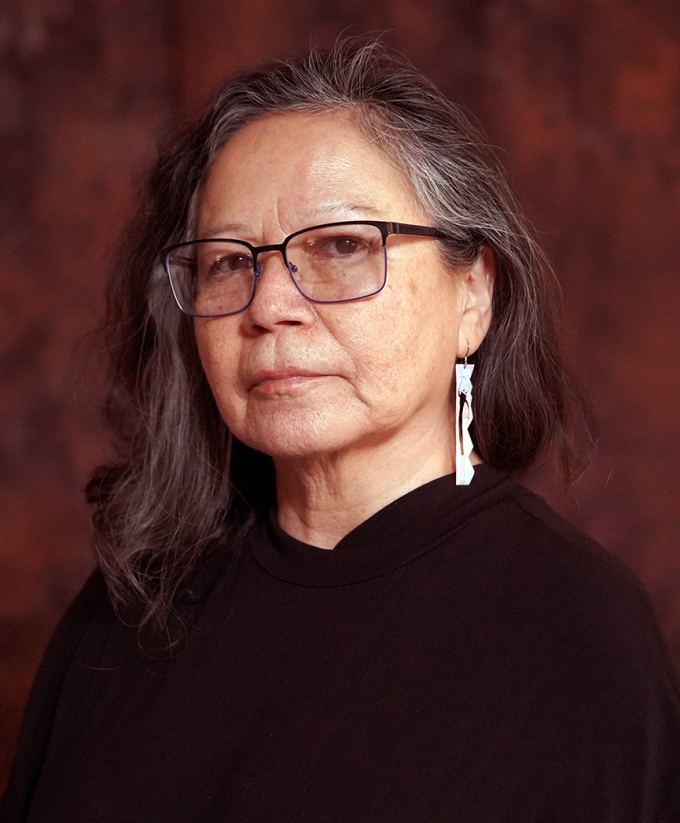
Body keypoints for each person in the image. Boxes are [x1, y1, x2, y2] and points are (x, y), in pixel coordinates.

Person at [2, 39, 680, 823]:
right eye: (228, 262)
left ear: (474, 295)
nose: (268, 306)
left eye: (341, 247)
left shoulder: (574, 632)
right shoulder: (132, 604)